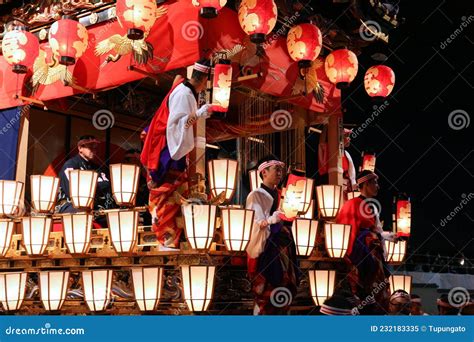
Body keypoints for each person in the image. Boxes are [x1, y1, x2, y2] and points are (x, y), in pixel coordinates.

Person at [140, 59, 214, 248]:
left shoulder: (184, 89)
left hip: (171, 150)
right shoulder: (183, 94)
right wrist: (198, 114)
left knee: (175, 196)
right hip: (167, 151)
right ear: (204, 79)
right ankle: (166, 241)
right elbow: (177, 125)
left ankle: (169, 240)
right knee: (164, 198)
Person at [335, 170, 396, 314]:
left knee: (380, 293)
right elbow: (348, 231)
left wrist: (387, 236)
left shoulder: (373, 206)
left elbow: (377, 231)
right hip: (362, 254)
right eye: (374, 182)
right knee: (366, 295)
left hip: (375, 253)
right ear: (366, 184)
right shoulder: (352, 204)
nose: (378, 186)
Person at [246, 156, 299, 315]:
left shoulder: (282, 194)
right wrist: (271, 220)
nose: (279, 173)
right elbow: (255, 223)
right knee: (268, 294)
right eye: (276, 169)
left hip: (283, 246)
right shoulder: (256, 194)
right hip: (267, 249)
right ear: (264, 172)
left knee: (286, 288)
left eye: (281, 170)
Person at [57, 135, 115, 224]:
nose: (93, 150)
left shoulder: (96, 167)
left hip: (95, 207)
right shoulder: (70, 165)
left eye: (95, 148)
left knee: (115, 217)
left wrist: (90, 185)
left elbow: (107, 185)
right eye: (90, 147)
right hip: (70, 205)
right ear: (80, 148)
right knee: (82, 214)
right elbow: (73, 191)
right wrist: (94, 186)